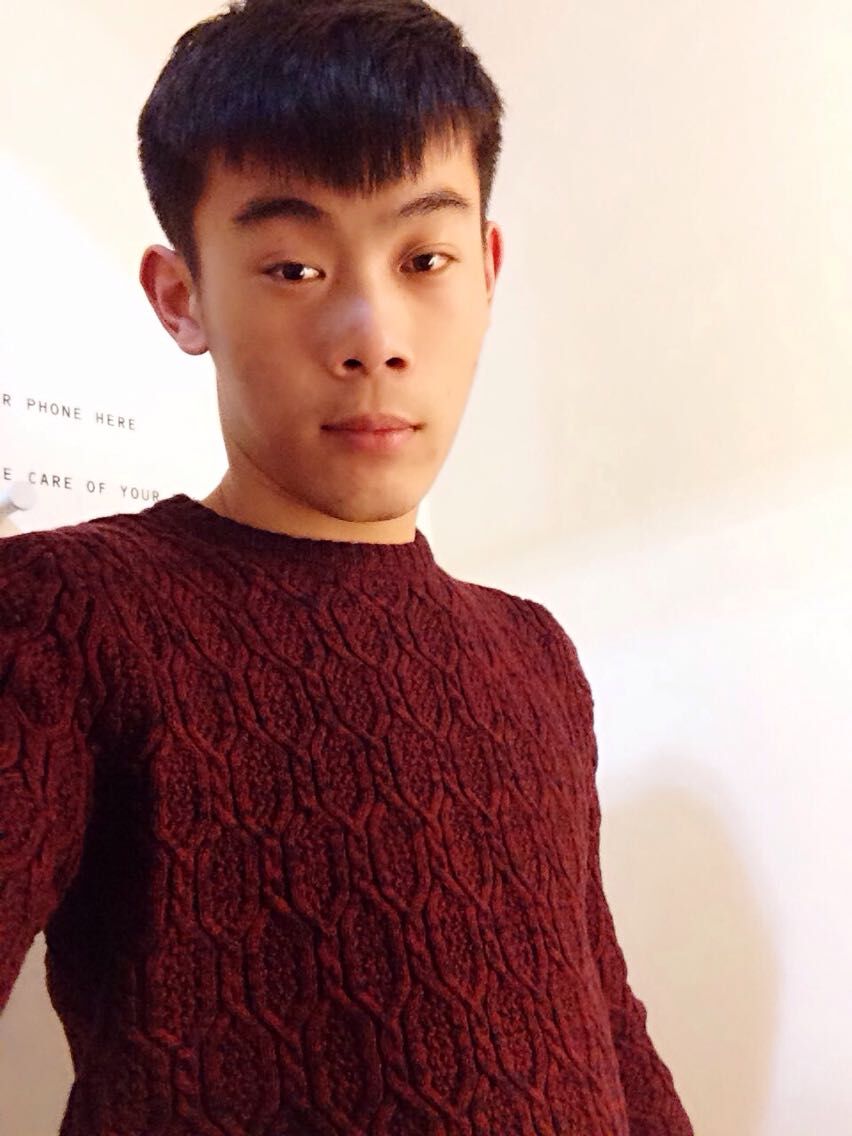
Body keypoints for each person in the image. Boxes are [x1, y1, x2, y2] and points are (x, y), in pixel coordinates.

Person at [0, 1, 694, 1133]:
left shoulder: (534, 653)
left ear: (486, 269)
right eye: (293, 266)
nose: (374, 334)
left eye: (425, 258)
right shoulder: (66, 615)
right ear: (182, 295)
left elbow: (607, 1025)